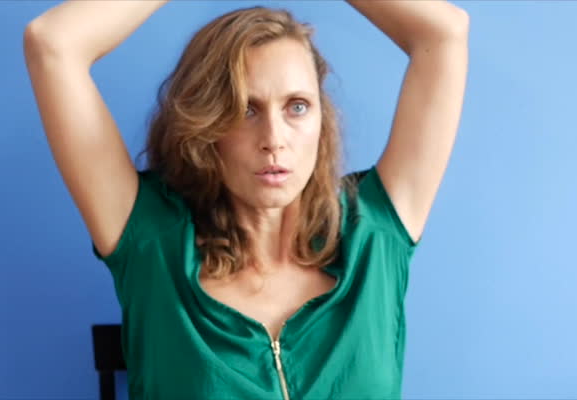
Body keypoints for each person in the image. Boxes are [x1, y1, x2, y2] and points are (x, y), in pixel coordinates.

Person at [23, 0, 469, 398]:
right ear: (207, 126)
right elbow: (52, 43)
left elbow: (445, 32)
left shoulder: (373, 232)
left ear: (321, 119)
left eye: (296, 106)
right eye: (244, 109)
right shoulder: (151, 241)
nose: (274, 139)